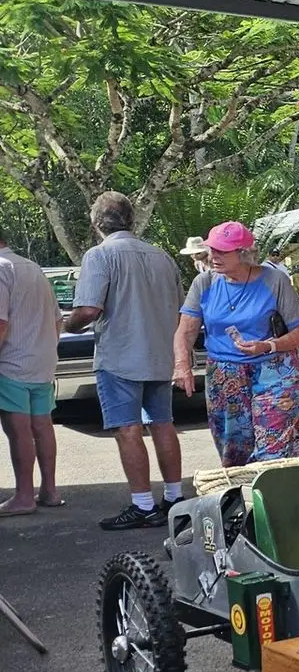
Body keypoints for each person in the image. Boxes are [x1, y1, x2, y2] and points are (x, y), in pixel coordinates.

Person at [67, 192, 185, 530]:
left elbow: (89, 309)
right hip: (158, 353)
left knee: (127, 429)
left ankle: (143, 504)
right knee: (163, 423)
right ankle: (175, 497)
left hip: (120, 356)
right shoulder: (161, 256)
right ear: (131, 219)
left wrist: (67, 324)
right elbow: (179, 307)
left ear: (96, 224)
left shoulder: (100, 255)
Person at [175, 222, 299, 468]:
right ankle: (244, 503)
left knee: (277, 453)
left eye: (223, 251)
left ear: (243, 252)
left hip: (275, 372)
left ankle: (274, 502)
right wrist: (182, 365)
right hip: (226, 376)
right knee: (234, 452)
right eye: (212, 249)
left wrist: (267, 346)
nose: (214, 256)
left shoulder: (274, 280)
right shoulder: (204, 283)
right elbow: (186, 330)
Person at [0, 226, 60, 515]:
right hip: (42, 361)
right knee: (42, 425)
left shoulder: (1, 269)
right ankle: (49, 490)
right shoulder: (33, 267)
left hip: (11, 362)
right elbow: (57, 319)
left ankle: (24, 495)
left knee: (18, 430)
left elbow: (0, 323)